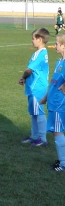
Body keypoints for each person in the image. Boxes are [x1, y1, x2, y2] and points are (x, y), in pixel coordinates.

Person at [19, 27, 50, 147]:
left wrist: (23, 77)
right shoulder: (41, 53)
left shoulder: (40, 54)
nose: (32, 41)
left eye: (33, 39)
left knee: (39, 112)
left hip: (37, 88)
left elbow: (29, 70)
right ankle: (34, 136)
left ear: (40, 39)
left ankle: (42, 138)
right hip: (34, 87)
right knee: (34, 112)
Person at [40, 34, 65, 171]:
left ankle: (63, 163)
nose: (54, 46)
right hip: (53, 101)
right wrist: (46, 96)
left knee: (57, 131)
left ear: (63, 46)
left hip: (59, 103)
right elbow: (54, 83)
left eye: (56, 44)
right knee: (57, 130)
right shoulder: (59, 62)